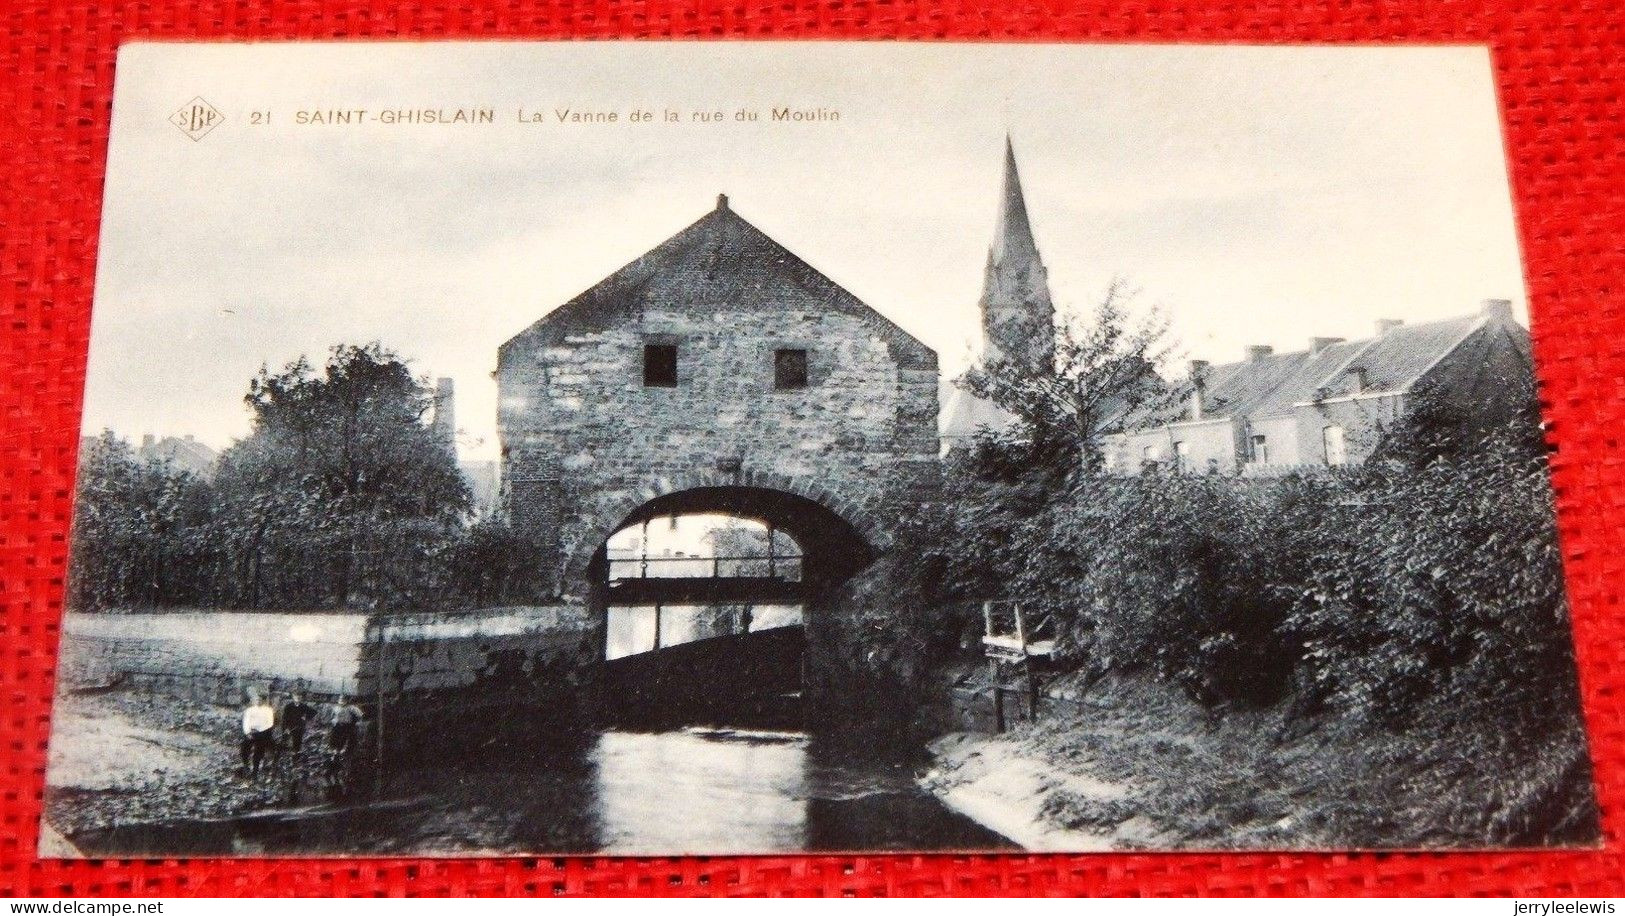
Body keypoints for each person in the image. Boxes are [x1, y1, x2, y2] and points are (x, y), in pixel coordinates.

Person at [239, 688, 276, 777]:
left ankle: (255, 771)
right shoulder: (249, 710)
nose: (258, 701)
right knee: (244, 748)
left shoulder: (268, 710)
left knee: (258, 752)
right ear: (253, 701)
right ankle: (246, 765)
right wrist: (248, 733)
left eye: (260, 699)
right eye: (256, 699)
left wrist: (260, 731)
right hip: (251, 732)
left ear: (263, 700)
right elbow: (246, 722)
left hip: (263, 733)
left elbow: (270, 723)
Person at [280, 691, 317, 756]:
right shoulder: (288, 707)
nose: (298, 698)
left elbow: (314, 712)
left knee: (297, 745)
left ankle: (296, 758)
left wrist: (306, 717)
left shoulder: (304, 706)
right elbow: (284, 718)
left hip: (299, 728)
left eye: (299, 697)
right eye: (296, 696)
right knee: (285, 744)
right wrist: (286, 728)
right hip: (289, 728)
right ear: (293, 697)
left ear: (301, 698)